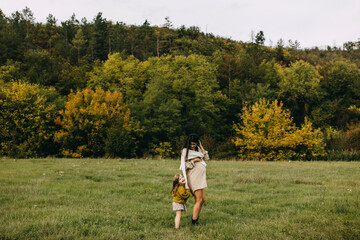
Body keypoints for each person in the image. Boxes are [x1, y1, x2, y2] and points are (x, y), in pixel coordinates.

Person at [179, 134, 209, 226]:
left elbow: (207, 158)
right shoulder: (185, 151)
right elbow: (184, 166)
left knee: (203, 199)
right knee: (199, 199)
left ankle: (196, 218)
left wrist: (201, 147)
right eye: (191, 144)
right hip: (193, 177)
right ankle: (194, 221)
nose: (192, 146)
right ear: (188, 143)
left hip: (201, 177)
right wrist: (194, 160)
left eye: (194, 144)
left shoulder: (199, 150)